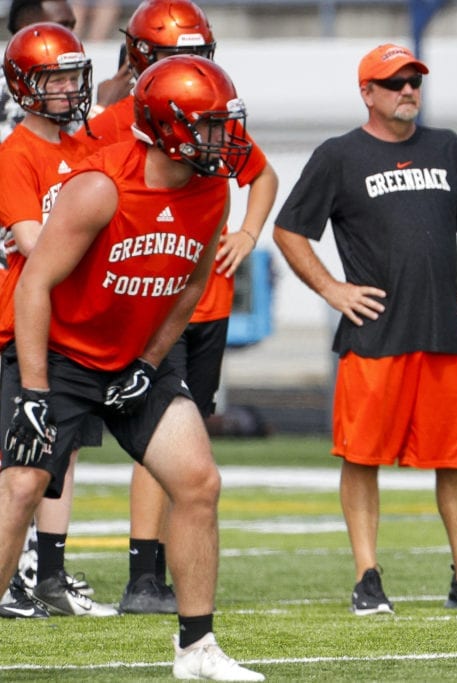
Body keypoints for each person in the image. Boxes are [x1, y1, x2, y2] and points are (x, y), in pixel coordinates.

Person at [0, 53, 264, 680]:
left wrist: (148, 362)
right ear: (170, 128)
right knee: (21, 488)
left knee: (199, 482)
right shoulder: (100, 187)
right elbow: (33, 286)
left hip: (129, 362)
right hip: (59, 358)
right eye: (207, 126)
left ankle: (197, 650)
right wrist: (34, 392)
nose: (222, 140)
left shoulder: (211, 192)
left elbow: (193, 285)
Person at [274, 42, 457, 615]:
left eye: (414, 81)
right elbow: (290, 231)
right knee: (361, 457)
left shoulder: (447, 147)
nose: (408, 91)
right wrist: (331, 290)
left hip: (444, 334)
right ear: (366, 92)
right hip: (374, 337)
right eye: (395, 82)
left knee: (455, 458)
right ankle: (367, 576)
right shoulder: (339, 156)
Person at [79, 0, 278, 615]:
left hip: (200, 300)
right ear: (143, 59)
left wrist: (246, 233)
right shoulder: (114, 123)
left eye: (198, 57)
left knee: (179, 440)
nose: (191, 71)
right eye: (176, 57)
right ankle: (130, 572)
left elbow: (260, 175)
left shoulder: (214, 122)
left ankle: (155, 577)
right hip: (134, 311)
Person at [0, 21, 117, 619]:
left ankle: (48, 575)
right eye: (56, 78)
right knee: (20, 463)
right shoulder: (16, 154)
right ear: (24, 85)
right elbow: (30, 238)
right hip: (25, 327)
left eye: (74, 75)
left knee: (61, 457)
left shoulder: (86, 148)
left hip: (75, 328)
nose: (71, 88)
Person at [0, 0, 132, 142]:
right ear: (26, 29)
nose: (69, 35)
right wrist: (101, 109)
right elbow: (42, 152)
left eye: (72, 26)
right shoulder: (7, 86)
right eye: (61, 26)